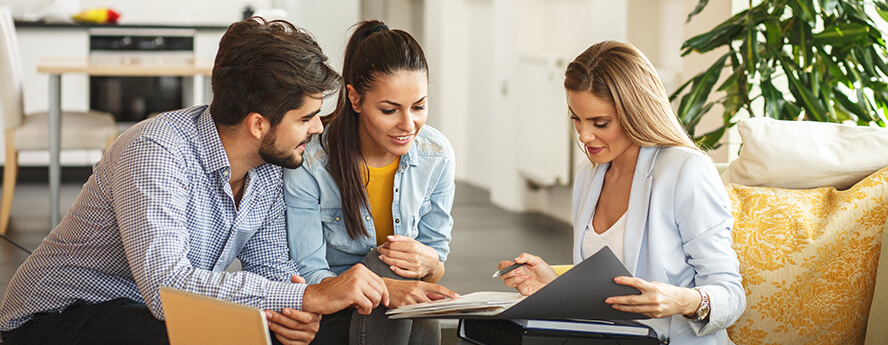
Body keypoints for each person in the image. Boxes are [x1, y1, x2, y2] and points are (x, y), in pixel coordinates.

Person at [0, 17, 391, 345]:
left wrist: (294, 311)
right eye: (306, 118)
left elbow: (271, 270)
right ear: (258, 124)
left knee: (315, 326)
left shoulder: (272, 166)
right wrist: (305, 295)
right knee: (201, 333)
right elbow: (166, 288)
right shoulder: (155, 151)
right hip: (54, 319)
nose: (318, 128)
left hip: (147, 312)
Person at [496, 41, 745, 344]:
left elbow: (731, 296)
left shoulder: (686, 171)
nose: (584, 136)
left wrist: (682, 301)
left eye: (600, 123)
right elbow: (609, 287)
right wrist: (555, 284)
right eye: (577, 118)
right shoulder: (590, 175)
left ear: (635, 112)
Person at [283, 20, 458, 345]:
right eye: (390, 110)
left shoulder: (437, 155)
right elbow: (310, 274)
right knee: (387, 265)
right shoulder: (312, 162)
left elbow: (435, 263)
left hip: (401, 309)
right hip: (334, 310)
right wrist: (384, 285)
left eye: (419, 106)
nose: (409, 124)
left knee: (409, 286)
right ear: (355, 98)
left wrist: (430, 264)